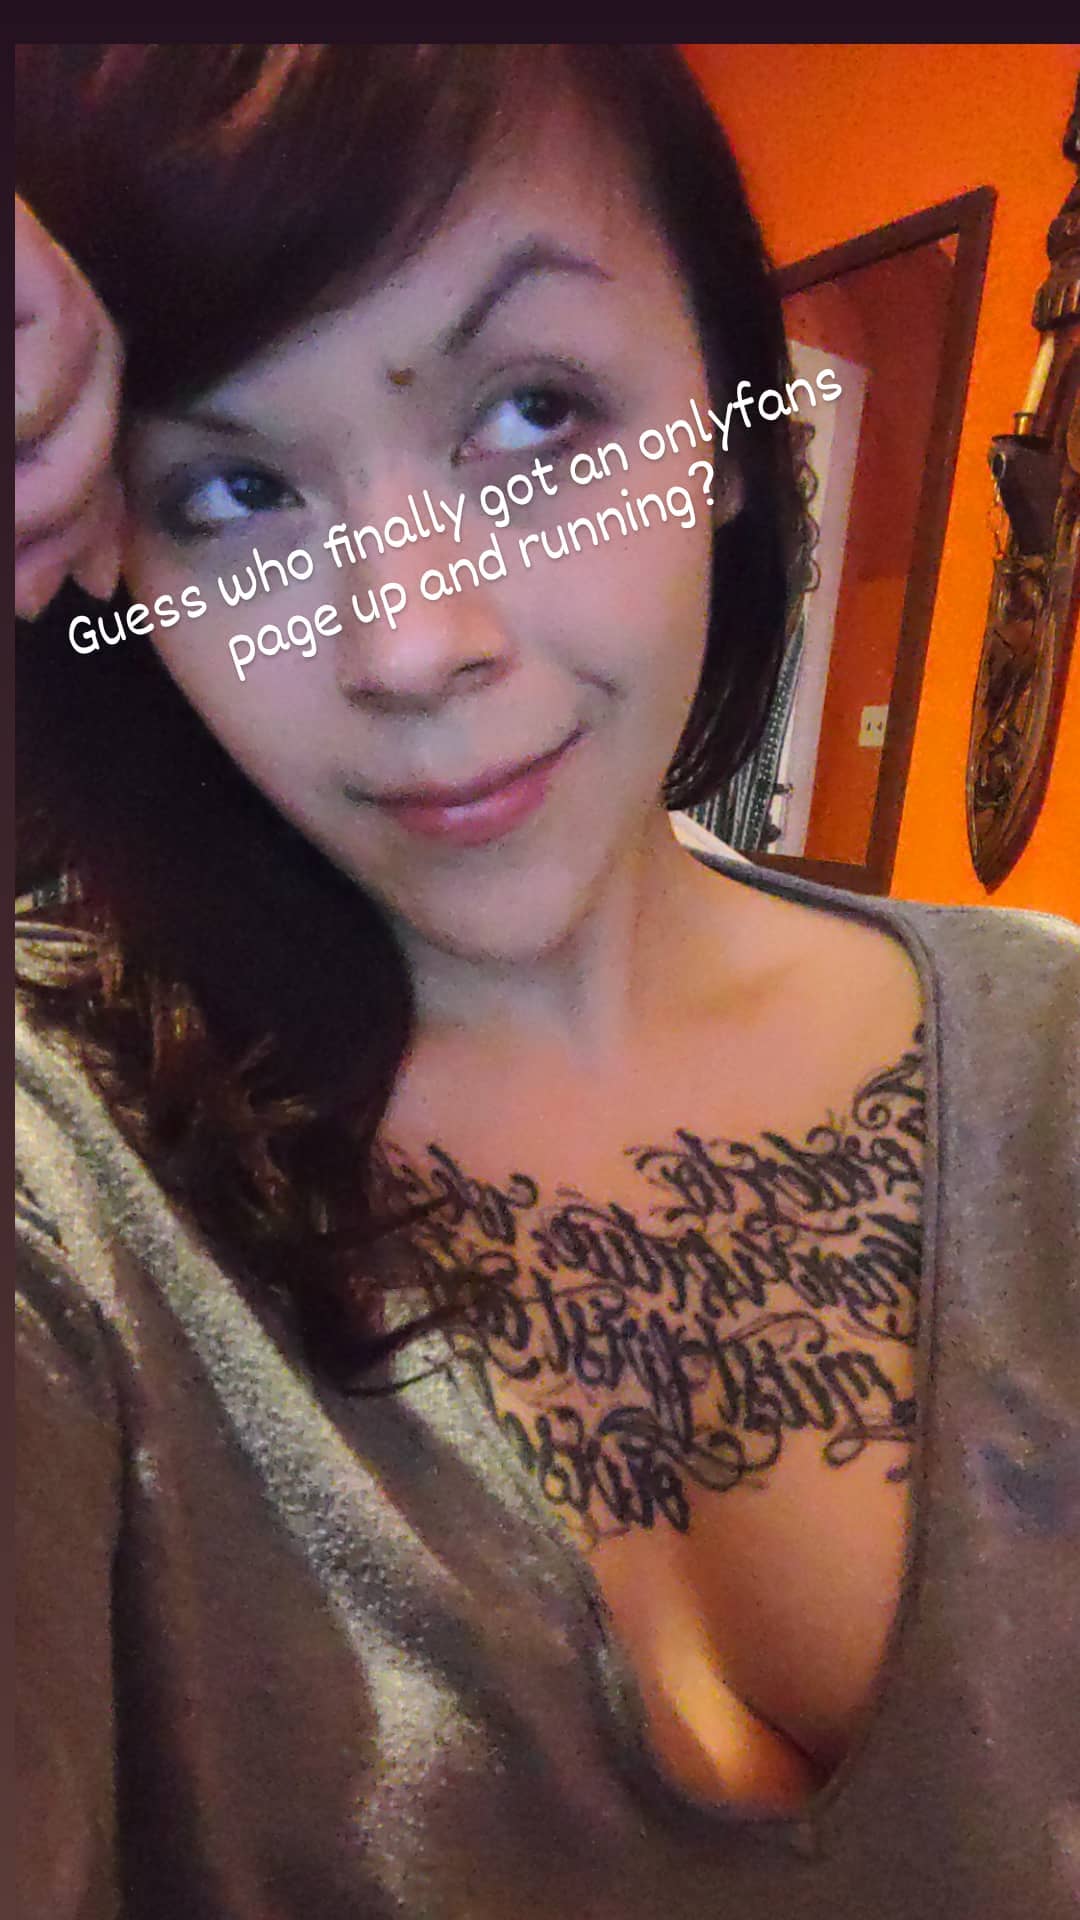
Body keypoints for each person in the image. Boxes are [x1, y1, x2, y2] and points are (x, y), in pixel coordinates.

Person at [14, 44, 1079, 1920]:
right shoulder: (61, 1166)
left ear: (729, 424)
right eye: (238, 490)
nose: (408, 644)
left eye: (532, 414)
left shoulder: (1054, 1058)